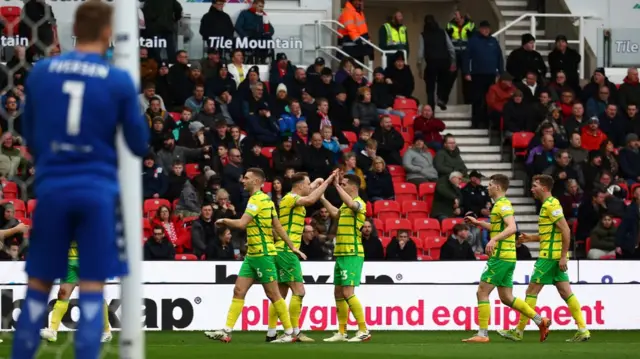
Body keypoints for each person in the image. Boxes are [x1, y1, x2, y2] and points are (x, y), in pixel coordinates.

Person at [12, 2, 149, 359]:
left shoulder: (43, 72)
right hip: (97, 193)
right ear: (108, 32)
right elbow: (138, 143)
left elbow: (28, 132)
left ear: (74, 29)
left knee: (38, 289)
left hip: (53, 189)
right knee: (91, 291)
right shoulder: (117, 79)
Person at [205, 168, 307, 343]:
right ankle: (226, 331)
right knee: (238, 290)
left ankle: (290, 332)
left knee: (273, 294)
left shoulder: (257, 200)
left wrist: (224, 220)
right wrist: (292, 246)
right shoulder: (267, 201)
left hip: (263, 253)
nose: (243, 180)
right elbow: (278, 227)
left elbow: (243, 223)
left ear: (256, 181)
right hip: (252, 254)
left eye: (246, 178)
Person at [499, 174, 590, 342]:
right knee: (566, 293)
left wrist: (563, 256)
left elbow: (566, 230)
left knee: (531, 291)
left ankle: (518, 331)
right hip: (554, 257)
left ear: (544, 188)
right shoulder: (546, 206)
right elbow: (550, 235)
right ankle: (583, 329)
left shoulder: (551, 204)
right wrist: (530, 238)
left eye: (534, 186)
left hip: (550, 258)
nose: (531, 189)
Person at [463, 174, 549, 343]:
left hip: (501, 256)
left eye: (489, 185)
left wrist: (494, 239)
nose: (487, 187)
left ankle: (482, 334)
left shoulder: (502, 205)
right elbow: (498, 227)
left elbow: (512, 227)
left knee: (482, 291)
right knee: (506, 297)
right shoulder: (499, 205)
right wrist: (479, 223)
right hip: (508, 256)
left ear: (497, 187)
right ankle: (540, 320)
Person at [265, 170, 337, 342]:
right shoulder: (291, 198)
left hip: (282, 250)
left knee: (280, 295)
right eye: (307, 183)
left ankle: (271, 333)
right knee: (299, 291)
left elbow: (308, 190)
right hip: (287, 251)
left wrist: (318, 180)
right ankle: (294, 332)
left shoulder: (291, 197)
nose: (309, 186)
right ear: (299, 186)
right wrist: (326, 181)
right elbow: (311, 199)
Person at [320, 174, 371, 342]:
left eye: (344, 184)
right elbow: (336, 213)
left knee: (348, 292)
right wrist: (321, 197)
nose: (342, 186)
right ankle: (342, 332)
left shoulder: (359, 204)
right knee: (338, 293)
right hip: (341, 253)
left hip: (352, 253)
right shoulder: (345, 205)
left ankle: (363, 330)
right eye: (341, 184)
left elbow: (351, 204)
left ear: (353, 187)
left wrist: (335, 185)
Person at [39, 242, 112, 343]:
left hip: (87, 259)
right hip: (69, 261)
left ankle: (106, 331)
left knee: (94, 295)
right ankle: (53, 331)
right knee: (62, 294)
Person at [418, 14, 456, 111]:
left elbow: (420, 54)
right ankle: (441, 99)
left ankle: (431, 109)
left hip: (431, 63)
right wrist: (453, 62)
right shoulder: (442, 32)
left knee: (430, 88)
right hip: (444, 62)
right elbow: (451, 48)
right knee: (443, 83)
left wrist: (420, 68)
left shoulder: (423, 35)